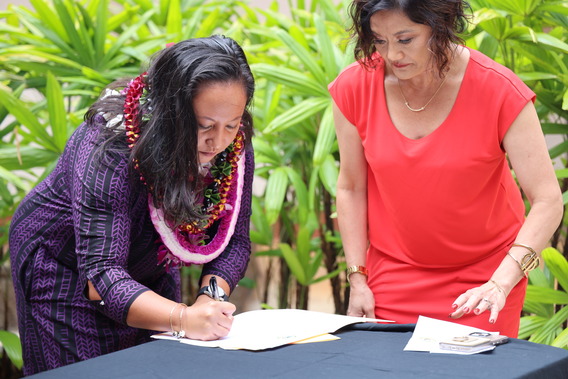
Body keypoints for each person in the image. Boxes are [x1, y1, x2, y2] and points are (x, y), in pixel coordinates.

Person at [9, 35, 255, 375]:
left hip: (148, 256)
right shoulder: (110, 145)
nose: (219, 140)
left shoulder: (230, 142)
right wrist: (183, 317)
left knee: (155, 365)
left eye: (231, 124)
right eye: (204, 126)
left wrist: (209, 300)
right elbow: (102, 275)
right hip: (64, 263)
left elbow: (235, 241)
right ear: (170, 114)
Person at [329, 0, 563, 338]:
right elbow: (351, 187)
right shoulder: (355, 86)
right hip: (393, 273)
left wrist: (502, 281)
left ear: (439, 24)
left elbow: (547, 200)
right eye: (379, 40)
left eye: (405, 39)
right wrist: (357, 277)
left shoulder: (498, 90)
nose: (391, 54)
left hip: (484, 280)